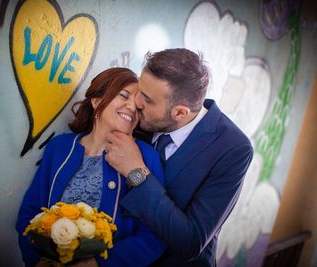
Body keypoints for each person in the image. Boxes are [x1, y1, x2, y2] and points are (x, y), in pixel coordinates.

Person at [104, 48, 254, 266]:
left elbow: (191, 241)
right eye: (139, 90)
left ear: (180, 113)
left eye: (146, 99)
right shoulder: (141, 118)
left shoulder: (233, 149)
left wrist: (136, 172)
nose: (136, 102)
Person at [15, 67, 166, 267]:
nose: (132, 107)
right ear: (96, 101)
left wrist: (99, 264)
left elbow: (155, 235)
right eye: (124, 96)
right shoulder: (59, 148)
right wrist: (37, 260)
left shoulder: (146, 156)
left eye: (138, 106)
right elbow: (30, 212)